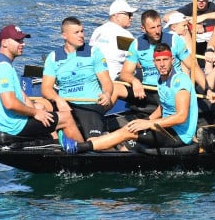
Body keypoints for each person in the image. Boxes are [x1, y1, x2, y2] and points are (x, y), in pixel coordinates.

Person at [57, 43, 198, 154]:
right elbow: (164, 107)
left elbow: (181, 116)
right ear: (153, 62)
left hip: (178, 136)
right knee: (129, 128)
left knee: (127, 132)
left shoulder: (180, 81)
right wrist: (147, 121)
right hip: (164, 129)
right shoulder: (161, 80)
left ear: (172, 60)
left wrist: (148, 125)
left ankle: (79, 147)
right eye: (158, 60)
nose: (161, 64)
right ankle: (107, 152)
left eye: (165, 60)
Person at [0, 24, 81, 141]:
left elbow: (22, 96)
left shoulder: (0, 62)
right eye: (18, 40)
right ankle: (84, 155)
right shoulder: (3, 68)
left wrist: (37, 110)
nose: (23, 43)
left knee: (41, 107)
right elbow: (10, 104)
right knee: (66, 118)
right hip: (12, 126)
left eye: (23, 40)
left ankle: (54, 143)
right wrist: (35, 113)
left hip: (2, 122)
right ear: (4, 43)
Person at [117, 9, 215, 104]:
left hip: (172, 89)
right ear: (143, 29)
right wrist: (134, 81)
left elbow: (193, 67)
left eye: (159, 26)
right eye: (152, 28)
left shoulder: (174, 40)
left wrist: (207, 90)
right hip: (149, 90)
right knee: (115, 88)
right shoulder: (136, 44)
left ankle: (152, 120)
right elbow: (125, 73)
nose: (157, 31)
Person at [41, 17, 114, 140]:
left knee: (94, 141)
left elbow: (107, 82)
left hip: (89, 104)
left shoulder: (93, 52)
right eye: (76, 32)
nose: (81, 35)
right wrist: (58, 99)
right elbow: (46, 88)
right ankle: (52, 140)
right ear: (65, 35)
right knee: (38, 107)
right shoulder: (53, 57)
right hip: (65, 103)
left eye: (82, 31)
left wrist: (107, 94)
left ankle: (82, 144)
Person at [89, 0, 137, 79]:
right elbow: (136, 61)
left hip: (95, 77)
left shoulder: (98, 30)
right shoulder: (124, 35)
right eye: (129, 14)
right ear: (117, 16)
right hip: (114, 79)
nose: (131, 17)